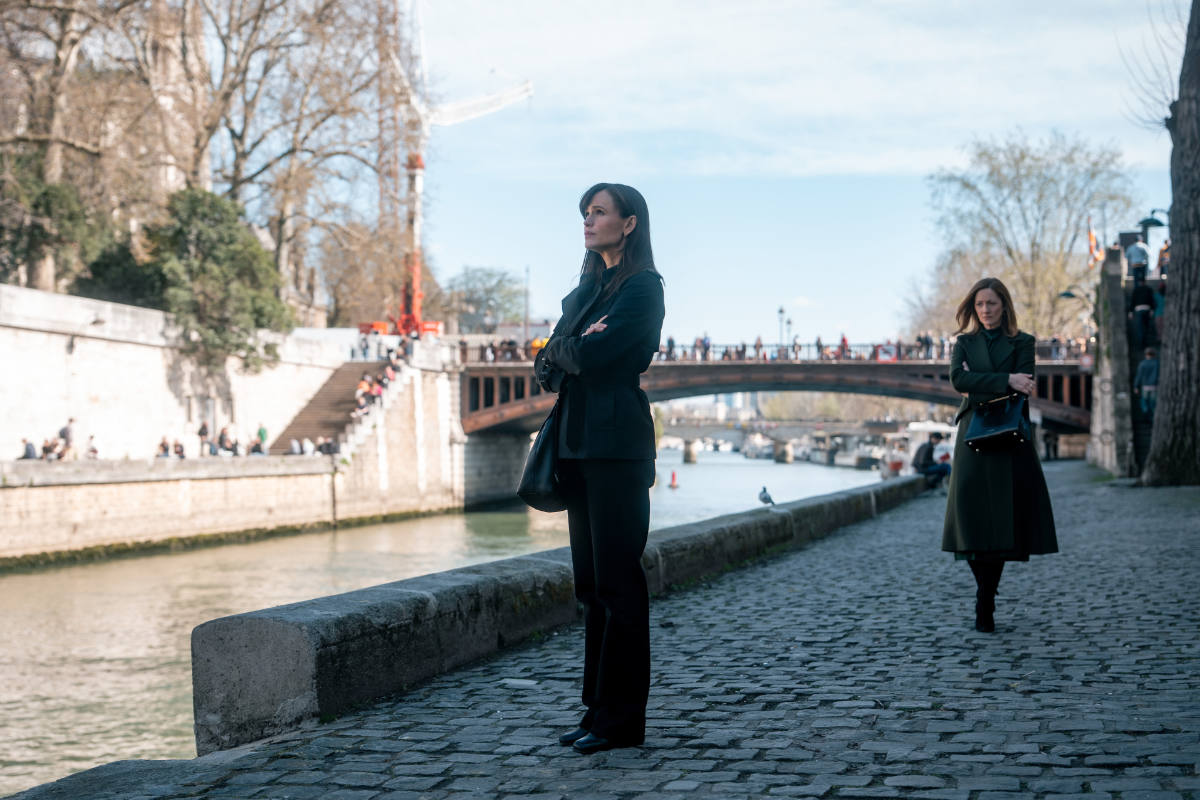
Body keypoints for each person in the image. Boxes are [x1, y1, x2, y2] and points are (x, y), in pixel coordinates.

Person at [534, 182, 664, 754]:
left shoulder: (643, 289)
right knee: (590, 587)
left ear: (629, 223)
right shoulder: (592, 289)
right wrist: (567, 347)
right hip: (579, 444)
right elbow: (552, 359)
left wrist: (567, 349)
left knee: (619, 584)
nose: (588, 221)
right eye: (586, 212)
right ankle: (596, 711)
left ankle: (623, 721)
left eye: (600, 212)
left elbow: (583, 355)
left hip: (616, 447)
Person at [943, 277, 1058, 633]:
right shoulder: (963, 342)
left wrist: (985, 380)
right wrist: (1005, 380)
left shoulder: (1023, 342)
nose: (985, 311)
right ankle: (984, 591)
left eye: (991, 304)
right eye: (979, 305)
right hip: (971, 437)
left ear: (1003, 305)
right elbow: (957, 382)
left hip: (1009, 436)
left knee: (1002, 523)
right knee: (971, 519)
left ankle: (986, 599)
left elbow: (1024, 388)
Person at [1134, 347, 1159, 420]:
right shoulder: (1157, 363)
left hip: (1145, 386)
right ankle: (1153, 417)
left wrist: (1136, 386)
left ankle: (1146, 413)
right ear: (1153, 355)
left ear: (1146, 355)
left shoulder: (1142, 364)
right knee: (1153, 403)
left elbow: (1139, 376)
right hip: (1154, 386)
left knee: (1144, 401)